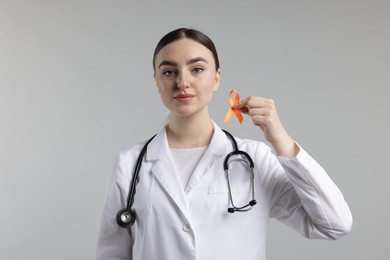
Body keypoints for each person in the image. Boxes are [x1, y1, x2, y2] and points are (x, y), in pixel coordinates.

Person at [96, 28, 352, 260]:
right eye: (169, 71)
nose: (182, 82)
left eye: (197, 69)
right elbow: (111, 255)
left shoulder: (254, 158)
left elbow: (334, 224)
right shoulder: (129, 163)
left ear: (216, 78)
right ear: (156, 81)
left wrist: (281, 140)